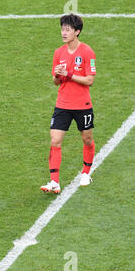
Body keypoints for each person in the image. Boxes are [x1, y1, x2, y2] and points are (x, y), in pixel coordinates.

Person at [41, 14, 97, 194]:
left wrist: (69, 73)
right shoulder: (58, 53)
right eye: (62, 29)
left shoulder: (87, 52)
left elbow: (89, 80)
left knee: (87, 139)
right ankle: (54, 182)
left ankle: (86, 172)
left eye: (67, 30)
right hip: (62, 104)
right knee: (55, 140)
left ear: (77, 32)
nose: (63, 33)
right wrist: (58, 75)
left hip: (82, 105)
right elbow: (56, 82)